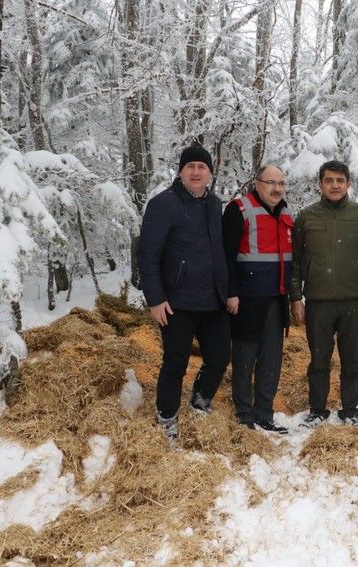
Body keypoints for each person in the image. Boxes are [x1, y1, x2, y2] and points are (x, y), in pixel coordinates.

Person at [137, 145, 230, 442]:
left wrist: (228, 292)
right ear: (180, 171)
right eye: (190, 166)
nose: (195, 172)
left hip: (212, 302)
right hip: (176, 303)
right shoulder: (163, 204)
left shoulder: (215, 205)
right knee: (175, 364)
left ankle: (200, 402)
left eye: (201, 167)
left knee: (218, 358)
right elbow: (147, 255)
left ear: (210, 173)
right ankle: (167, 420)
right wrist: (155, 298)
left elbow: (220, 253)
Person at [290, 160, 358, 429]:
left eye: (340, 180)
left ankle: (350, 410)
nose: (334, 185)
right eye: (329, 180)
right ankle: (317, 410)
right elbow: (296, 261)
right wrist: (296, 297)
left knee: (351, 359)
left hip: (353, 302)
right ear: (320, 184)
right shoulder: (307, 216)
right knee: (318, 360)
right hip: (318, 303)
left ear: (348, 184)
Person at [222, 164, 293, 434]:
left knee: (271, 360)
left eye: (281, 183)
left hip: (276, 299)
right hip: (246, 300)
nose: (277, 188)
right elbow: (225, 256)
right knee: (244, 360)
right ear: (257, 183)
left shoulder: (285, 212)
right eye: (271, 183)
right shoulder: (239, 209)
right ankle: (244, 416)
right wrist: (231, 292)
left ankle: (265, 413)